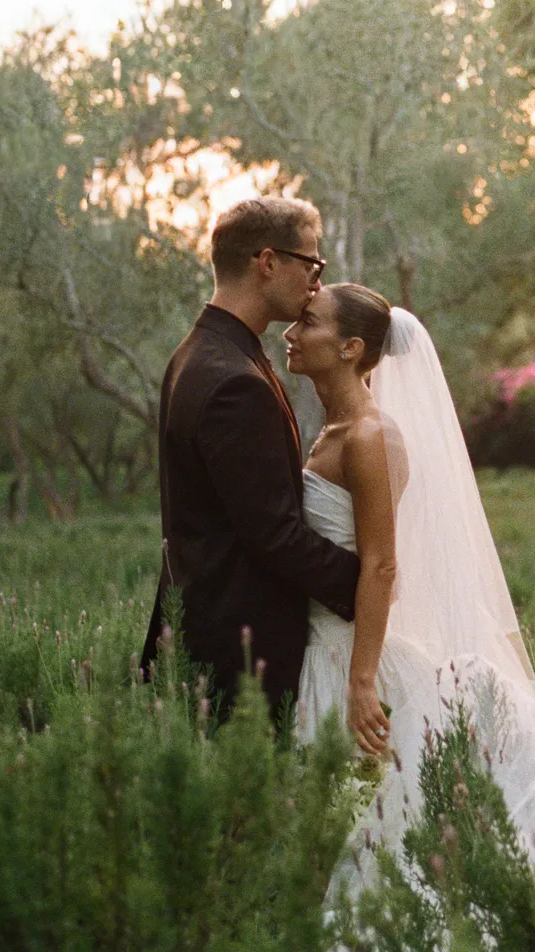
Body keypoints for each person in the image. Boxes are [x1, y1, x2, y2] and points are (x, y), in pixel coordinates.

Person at [283, 283, 535, 948]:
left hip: (349, 659)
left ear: (350, 347)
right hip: (317, 647)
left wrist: (362, 681)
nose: (290, 331)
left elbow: (383, 566)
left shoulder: (370, 436)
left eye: (307, 322)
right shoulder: (329, 429)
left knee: (377, 843)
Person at [138, 197, 361, 718]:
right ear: (267, 262)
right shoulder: (235, 380)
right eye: (311, 263)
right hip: (239, 656)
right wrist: (370, 582)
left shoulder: (197, 354)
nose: (316, 282)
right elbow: (274, 535)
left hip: (208, 635)